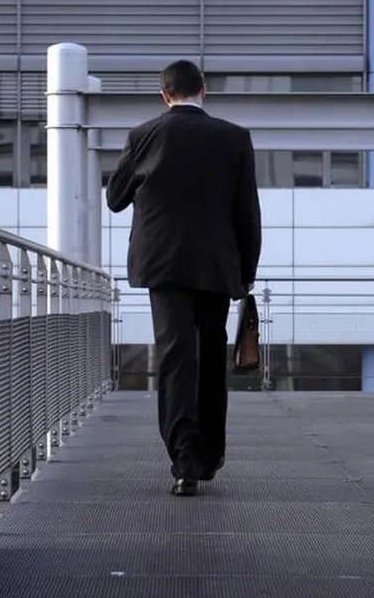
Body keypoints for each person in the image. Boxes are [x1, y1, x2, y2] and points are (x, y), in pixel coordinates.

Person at [106, 60, 262, 496]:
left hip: (163, 265)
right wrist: (245, 274)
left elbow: (115, 199)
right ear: (204, 90)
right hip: (217, 265)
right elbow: (247, 212)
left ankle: (184, 462)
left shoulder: (145, 135)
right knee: (211, 357)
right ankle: (210, 454)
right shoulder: (234, 138)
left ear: (164, 95)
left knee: (176, 357)